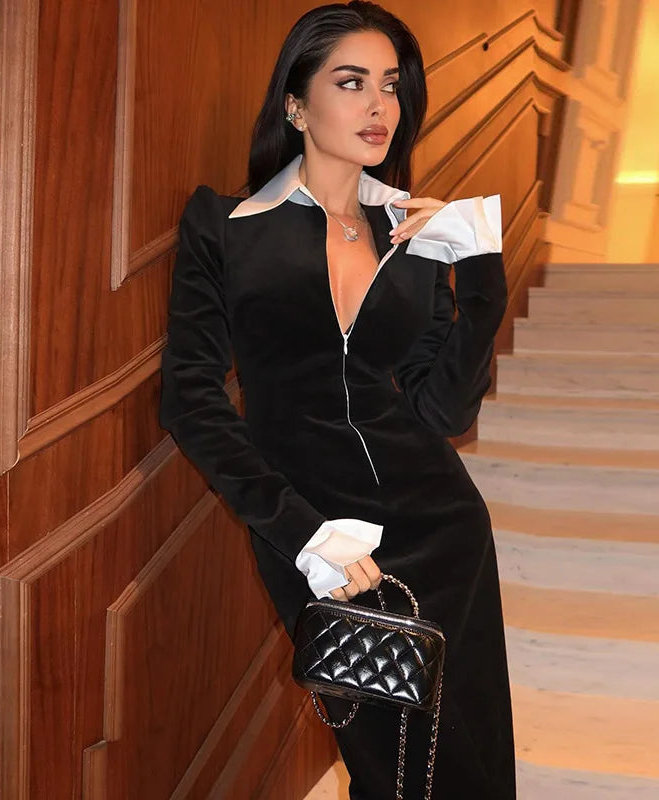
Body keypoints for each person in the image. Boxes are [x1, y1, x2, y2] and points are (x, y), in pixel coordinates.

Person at [159, 2, 517, 797]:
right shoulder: (226, 225)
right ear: (295, 103)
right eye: (350, 82)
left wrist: (480, 276)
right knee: (384, 756)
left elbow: (443, 415)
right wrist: (299, 530)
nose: (378, 106)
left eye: (390, 86)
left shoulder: (412, 232)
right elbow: (190, 397)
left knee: (463, 752)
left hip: (441, 527)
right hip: (315, 530)